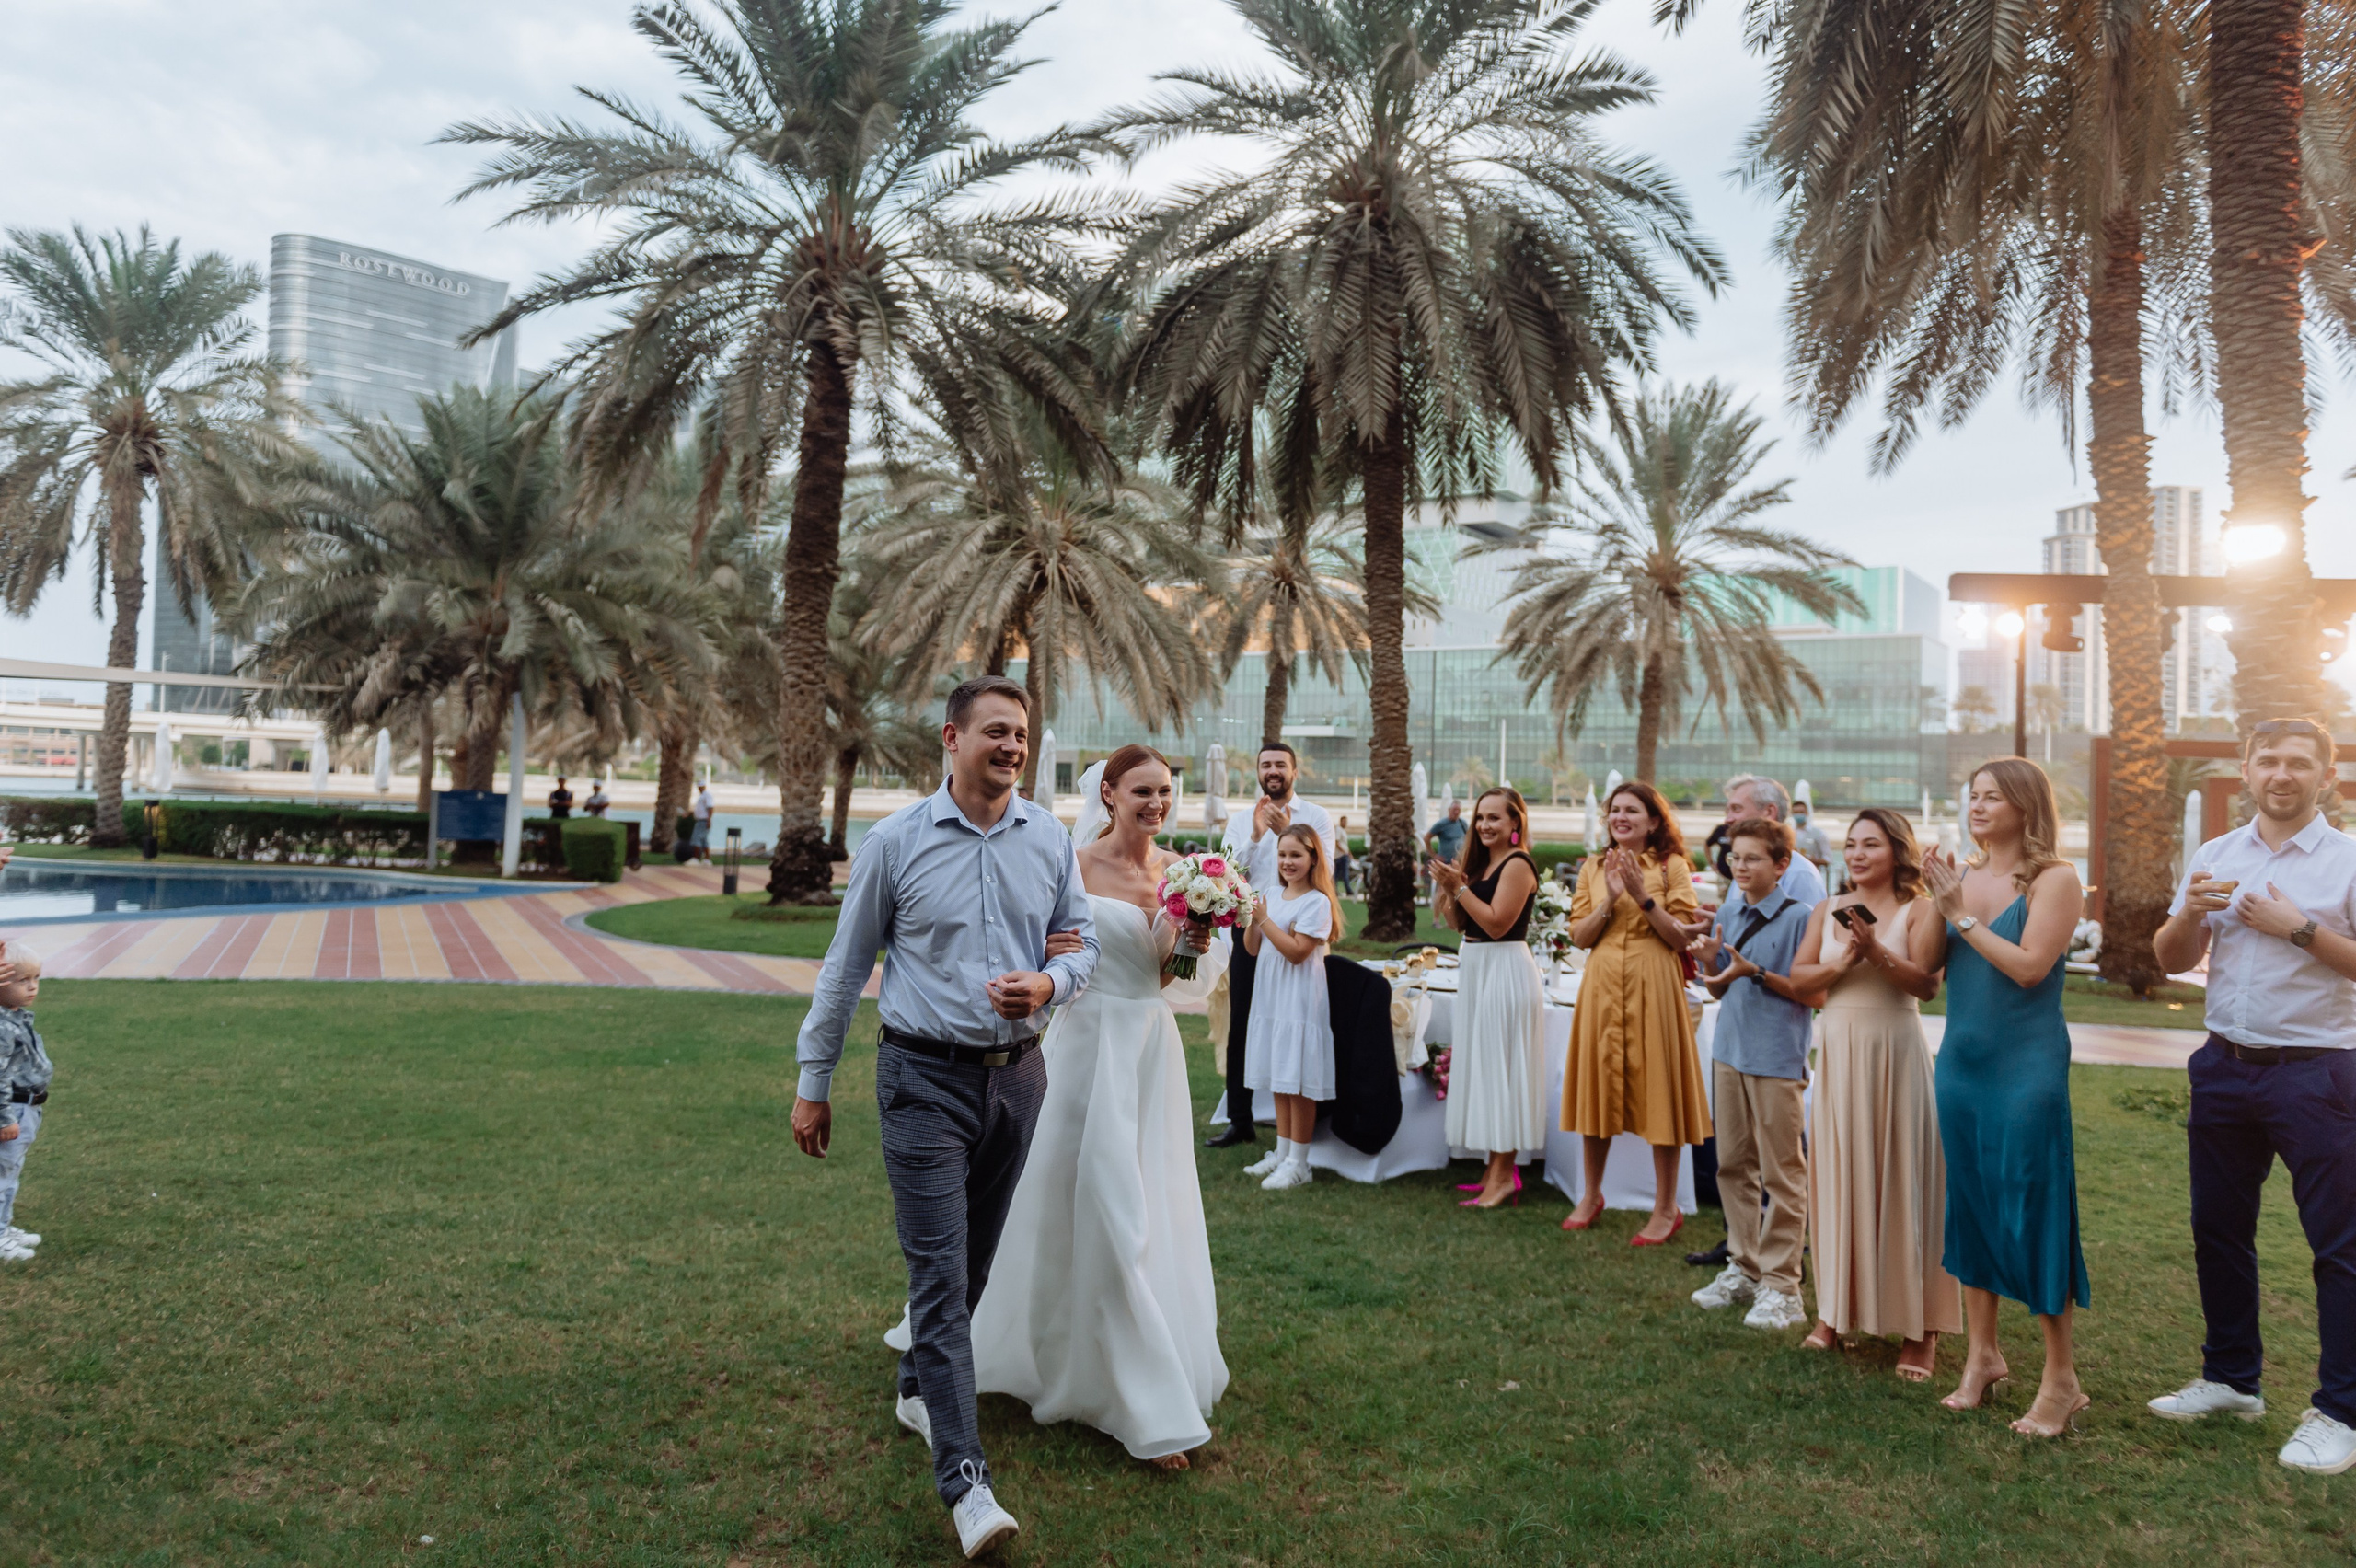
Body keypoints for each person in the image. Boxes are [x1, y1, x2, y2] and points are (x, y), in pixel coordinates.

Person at [792, 674, 1099, 1559]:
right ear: (951, 739)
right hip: (920, 1078)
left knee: (971, 1267)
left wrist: (1048, 983)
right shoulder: (894, 843)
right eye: (996, 732)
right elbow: (844, 969)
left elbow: (1079, 941)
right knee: (938, 1271)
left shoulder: (1048, 837)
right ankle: (967, 1484)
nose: (1013, 747)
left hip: (1019, 1080)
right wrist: (815, 1080)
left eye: (1023, 735)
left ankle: (916, 1384)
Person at [971, 745, 1230, 1470]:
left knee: (1143, 1200)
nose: (1157, 803)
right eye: (1142, 791)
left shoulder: (1183, 872)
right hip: (1086, 1048)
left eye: (1166, 792)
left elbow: (1167, 972)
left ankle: (1128, 1376)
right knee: (1081, 1202)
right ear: (1109, 794)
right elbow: (1053, 957)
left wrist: (1192, 939)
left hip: (1148, 1048)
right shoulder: (1075, 865)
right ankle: (1130, 1398)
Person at [2146, 717, 2356, 1473]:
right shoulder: (2216, 854)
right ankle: (2233, 1379)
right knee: (2218, 1228)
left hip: (2319, 1072)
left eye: (2300, 763)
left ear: (2324, 777)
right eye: (2269, 760)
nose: (2282, 774)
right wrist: (2191, 912)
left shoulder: (2347, 861)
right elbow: (2171, 960)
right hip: (2225, 1066)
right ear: (2246, 770)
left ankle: (2340, 1412)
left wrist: (2299, 929)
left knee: (2339, 1245)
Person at [1920, 759, 2090, 1437]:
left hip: (2028, 1071)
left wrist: (1961, 916)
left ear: (2026, 806)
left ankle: (2061, 1379)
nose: (1979, 806)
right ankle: (1982, 1356)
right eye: (1974, 796)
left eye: (1993, 797)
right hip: (1961, 1066)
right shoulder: (1963, 877)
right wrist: (1939, 899)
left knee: (2033, 1208)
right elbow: (1930, 966)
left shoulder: (2056, 879)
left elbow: (2028, 968)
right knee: (1973, 1205)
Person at [1788, 807, 1958, 1380]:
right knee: (1840, 1177)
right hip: (1838, 1052)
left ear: (1897, 852)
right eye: (1852, 844)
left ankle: (1921, 1329)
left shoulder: (1921, 909)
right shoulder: (1826, 910)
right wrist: (1845, 958)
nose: (1858, 854)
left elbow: (1928, 984)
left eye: (1872, 845)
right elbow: (1800, 982)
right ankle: (1834, 1313)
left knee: (1903, 1178)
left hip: (1893, 1052)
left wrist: (1876, 951)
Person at [1561, 780, 1711, 1245]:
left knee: (1659, 1092)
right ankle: (1591, 1194)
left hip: (1655, 984)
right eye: (1614, 810)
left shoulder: (1673, 867)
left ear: (1652, 821)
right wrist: (1609, 897)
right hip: (1603, 986)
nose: (1620, 817)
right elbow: (1580, 937)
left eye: (1632, 810)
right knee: (1596, 1088)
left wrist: (1641, 895)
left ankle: (1666, 1207)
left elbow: (1683, 937)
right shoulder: (1591, 867)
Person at [1690, 775, 1826, 1267]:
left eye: (1750, 857)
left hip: (1775, 1052)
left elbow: (1815, 991)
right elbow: (1724, 979)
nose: (1739, 865)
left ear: (1780, 863)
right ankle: (1742, 1263)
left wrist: (1758, 972)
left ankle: (1782, 1276)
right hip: (1730, 1047)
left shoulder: (1802, 904)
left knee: (1782, 1170)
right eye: (1734, 858)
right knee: (1732, 1165)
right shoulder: (1734, 902)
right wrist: (1709, 957)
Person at [1208, 743, 1336, 1151]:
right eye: (1266, 764)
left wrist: (1286, 834)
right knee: (1245, 1023)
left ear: (1294, 771)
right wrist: (1257, 835)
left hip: (1299, 929)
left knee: (1295, 1023)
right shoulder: (1243, 819)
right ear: (1258, 773)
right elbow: (1224, 871)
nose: (1273, 770)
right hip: (1252, 929)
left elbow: (1325, 870)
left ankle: (1300, 1128)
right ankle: (1240, 1119)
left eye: (1281, 764)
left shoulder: (1316, 817)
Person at [1427, 787, 1546, 1210]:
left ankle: (1504, 1176)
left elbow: (1497, 924)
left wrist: (1459, 887)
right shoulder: (1481, 864)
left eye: (1495, 818)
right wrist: (1450, 888)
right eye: (1481, 817)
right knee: (1486, 1068)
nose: (1484, 825)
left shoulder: (1518, 864)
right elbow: (1463, 923)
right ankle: (1493, 1170)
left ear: (1516, 823)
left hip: (1505, 967)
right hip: (1477, 967)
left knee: (1503, 1071)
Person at [1241, 824, 1337, 1192]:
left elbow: (1297, 952)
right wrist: (1253, 917)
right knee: (1281, 1077)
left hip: (1298, 998)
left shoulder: (1317, 902)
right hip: (1271, 995)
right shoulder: (1272, 895)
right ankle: (1282, 1154)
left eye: (1296, 855)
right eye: (1282, 855)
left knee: (1298, 1081)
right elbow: (1252, 948)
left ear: (1313, 858)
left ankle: (1300, 1162)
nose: (1287, 862)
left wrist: (1266, 921)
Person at [0, 943, 50, 1263]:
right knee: (3, 1175)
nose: (32, 986)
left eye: (36, 978)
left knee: (10, 1172)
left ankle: (4, 1226)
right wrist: (4, 1119)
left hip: (28, 1107)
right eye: (22, 980)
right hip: (12, 1110)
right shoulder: (2, 1027)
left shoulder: (16, 1017)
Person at [1426, 799, 1469, 896]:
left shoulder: (1463, 824)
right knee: (1442, 889)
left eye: (1458, 810)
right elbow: (1426, 838)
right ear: (1449, 810)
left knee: (1457, 888)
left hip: (1458, 862)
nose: (1456, 812)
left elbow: (1468, 839)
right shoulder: (1441, 824)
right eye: (1454, 809)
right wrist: (1434, 855)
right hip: (1445, 862)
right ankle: (1438, 908)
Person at [1790, 798, 1833, 880]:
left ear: (1807, 813)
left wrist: (1813, 860)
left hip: (1812, 877)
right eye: (1796, 812)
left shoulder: (1818, 834)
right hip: (1792, 878)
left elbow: (1828, 859)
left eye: (1801, 812)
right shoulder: (1788, 833)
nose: (1799, 815)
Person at [690, 783, 715, 863]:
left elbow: (710, 808)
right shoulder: (702, 796)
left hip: (703, 821)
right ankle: (706, 859)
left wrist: (708, 820)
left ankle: (696, 858)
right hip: (700, 820)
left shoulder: (707, 795)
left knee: (697, 838)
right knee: (704, 840)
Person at [1334, 816, 1357, 896]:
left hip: (1344, 855)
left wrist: (1349, 853)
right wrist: (1344, 852)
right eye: (1344, 821)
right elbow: (1336, 842)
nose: (1345, 823)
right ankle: (1348, 890)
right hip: (1341, 856)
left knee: (1338, 874)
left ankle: (1335, 890)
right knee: (1343, 874)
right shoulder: (1338, 829)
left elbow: (1345, 844)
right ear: (1341, 821)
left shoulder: (1343, 831)